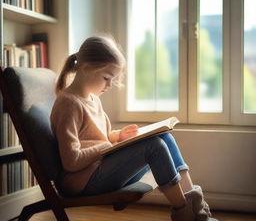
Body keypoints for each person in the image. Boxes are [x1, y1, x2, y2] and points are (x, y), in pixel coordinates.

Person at [50, 35, 218, 221]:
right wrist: (107, 147)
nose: (109, 85)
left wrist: (118, 136)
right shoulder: (68, 103)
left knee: (164, 138)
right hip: (82, 182)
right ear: (87, 68)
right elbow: (71, 161)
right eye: (106, 78)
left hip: (101, 169)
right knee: (154, 146)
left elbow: (100, 137)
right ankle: (185, 213)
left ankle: (197, 208)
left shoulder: (92, 98)